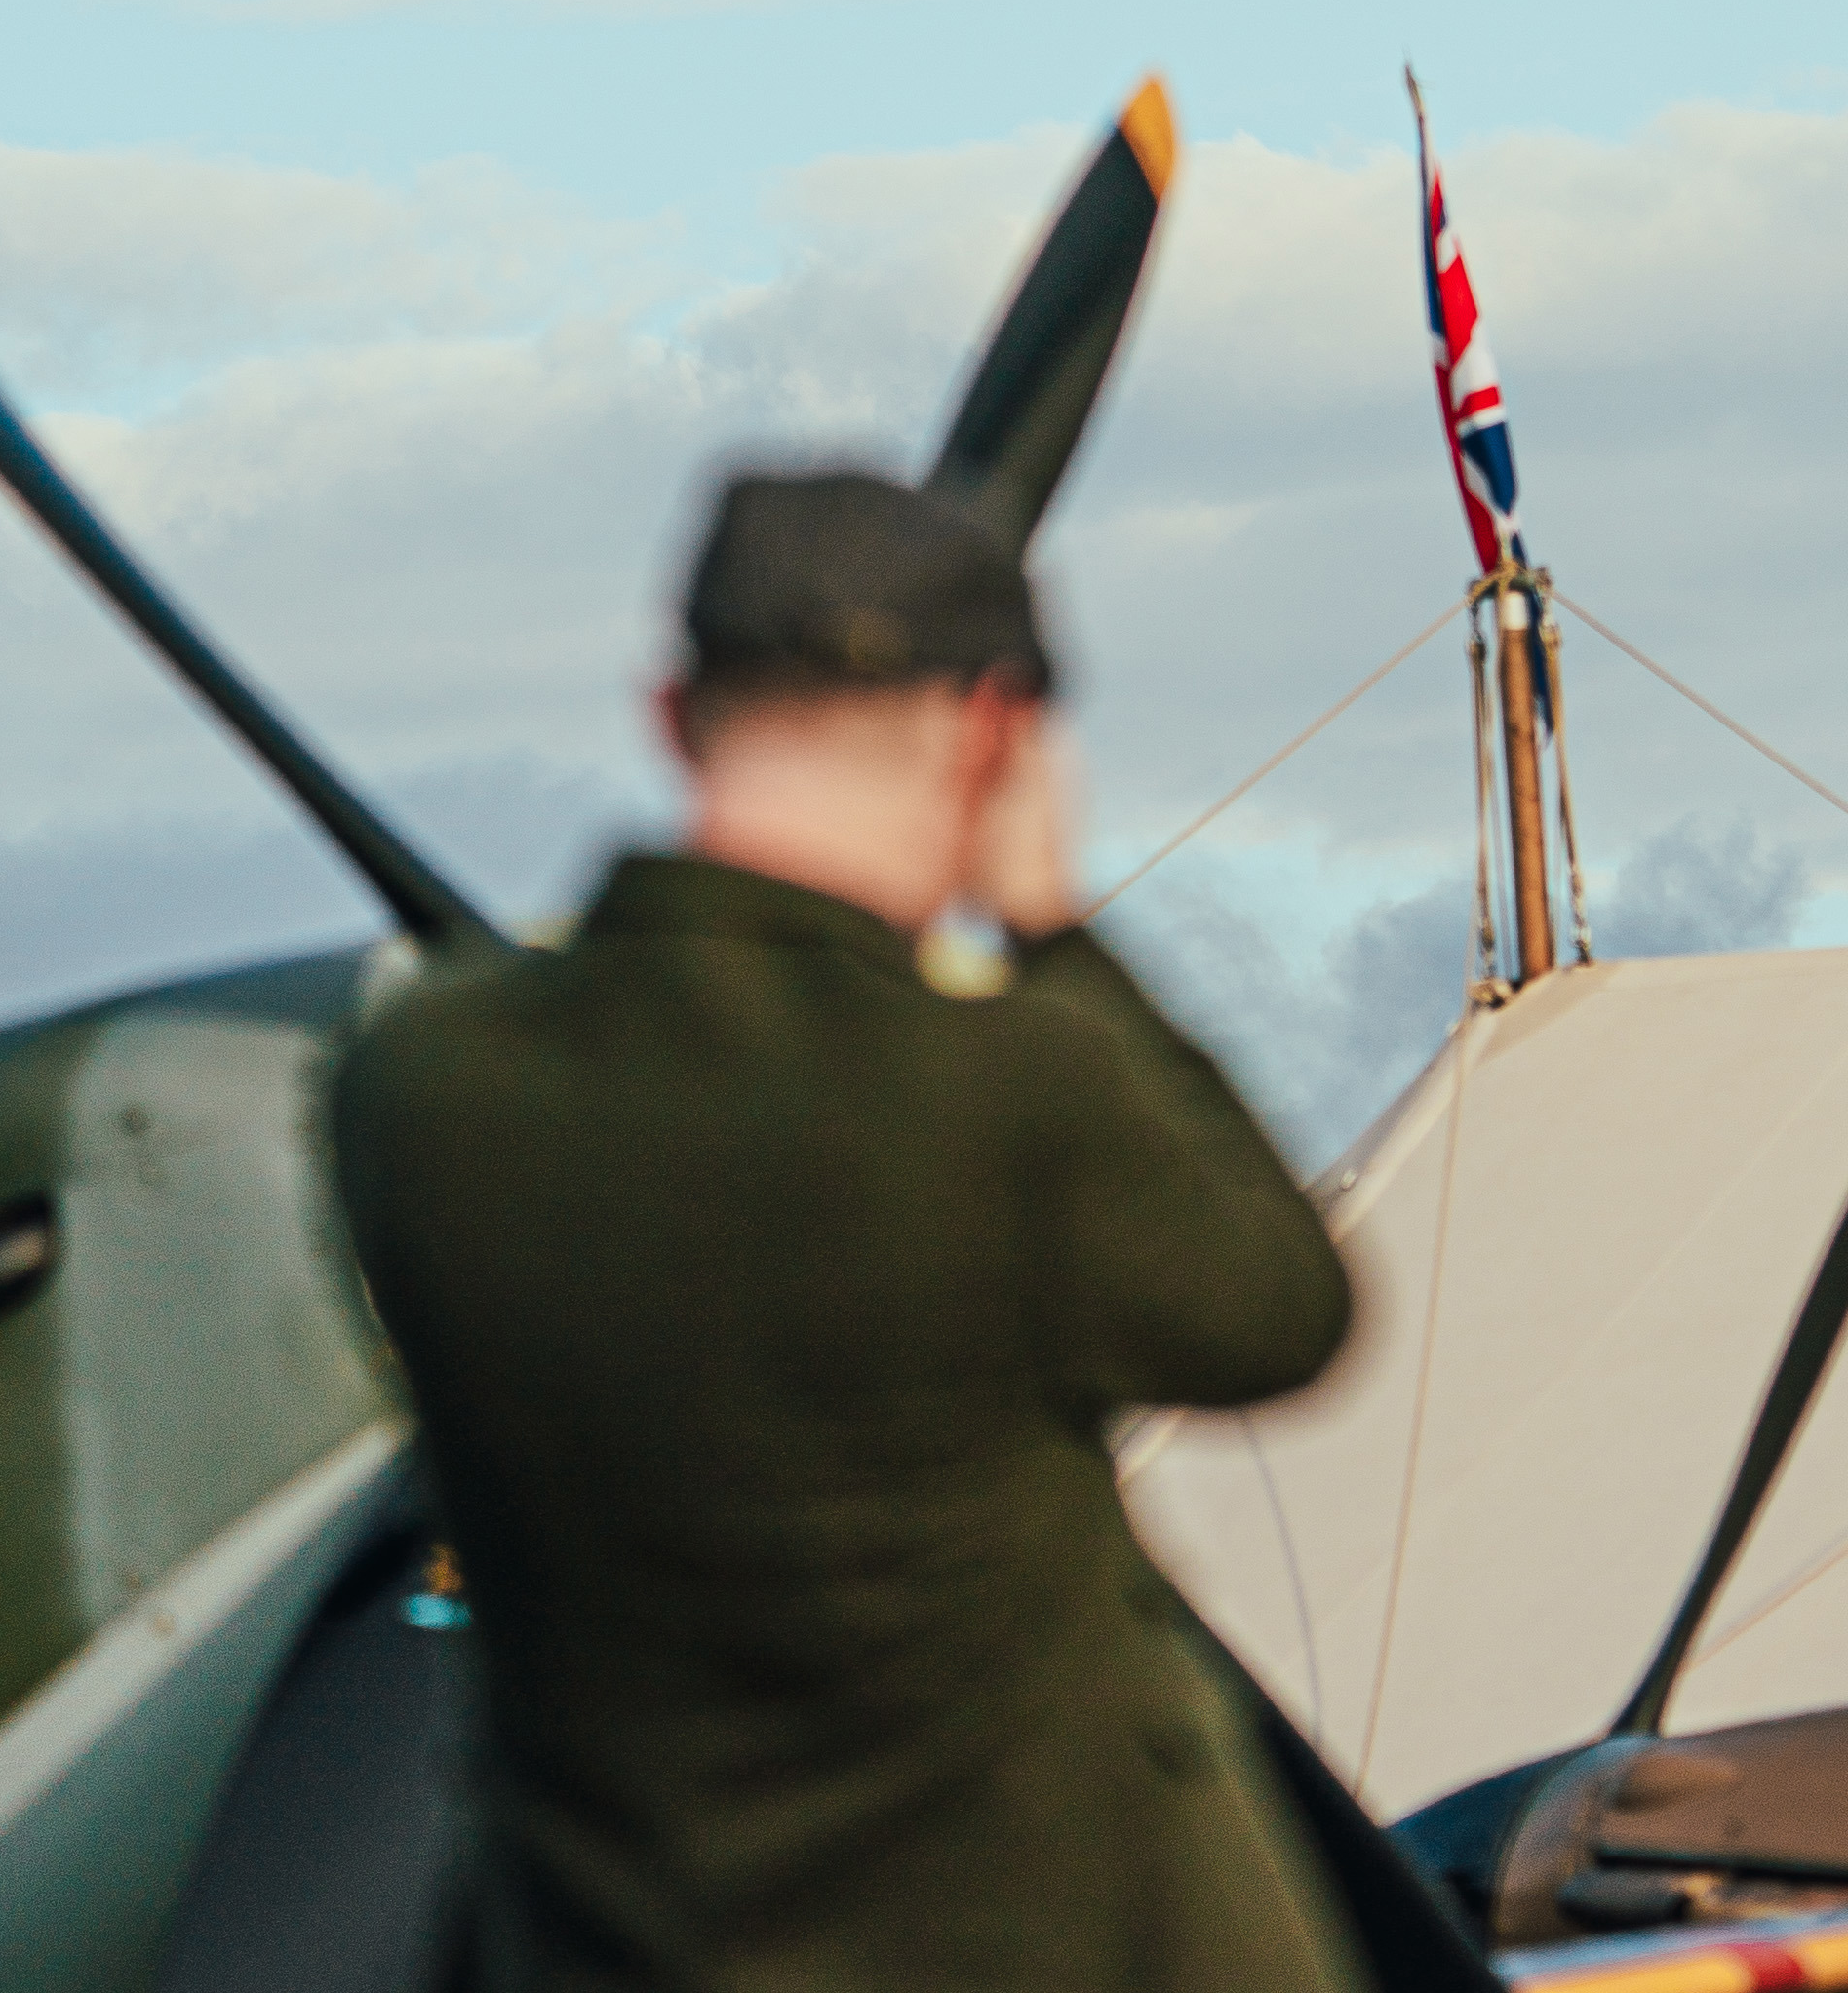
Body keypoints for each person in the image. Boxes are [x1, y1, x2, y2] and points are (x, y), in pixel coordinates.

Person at [332, 463, 1367, 1993]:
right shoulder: (1010, 1095)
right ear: (998, 734)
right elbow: (1283, 1311)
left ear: (671, 710)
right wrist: (1052, 929)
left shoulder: (419, 1095)